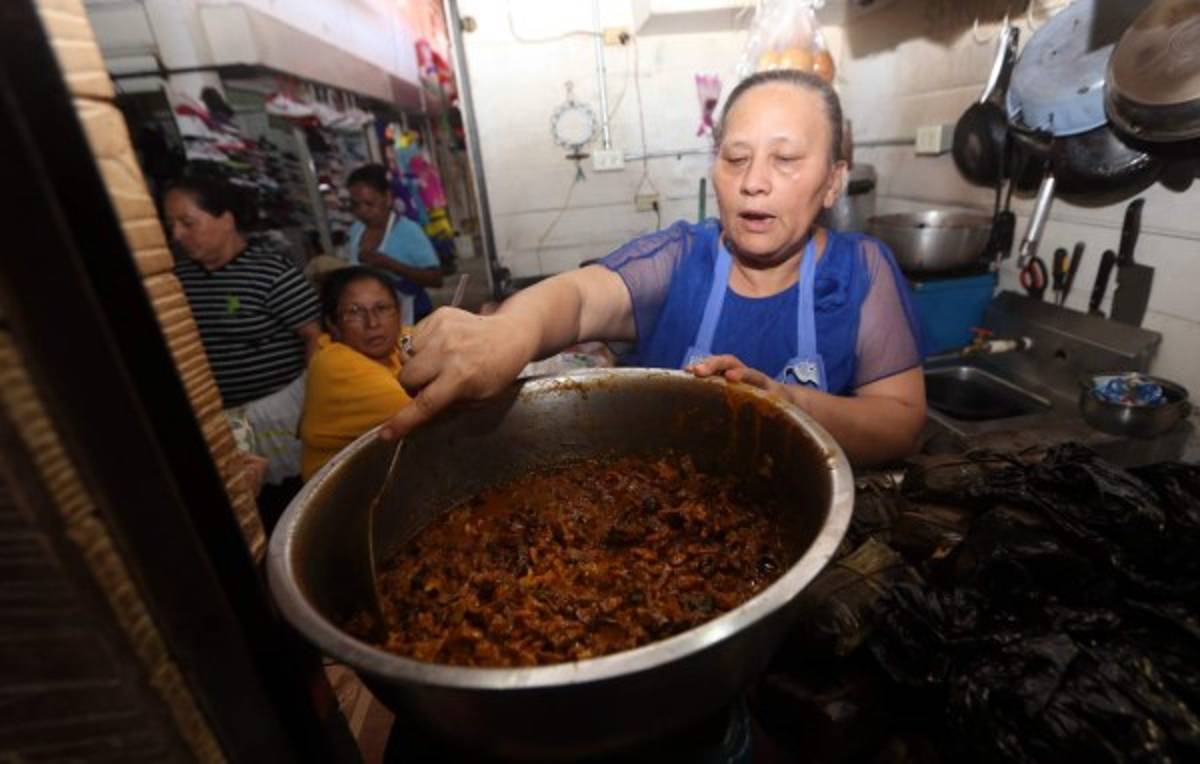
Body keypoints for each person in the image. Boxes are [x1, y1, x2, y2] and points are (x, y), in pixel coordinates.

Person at [382, 70, 926, 466]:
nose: (754, 180)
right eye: (736, 158)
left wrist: (787, 405)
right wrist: (510, 329)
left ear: (833, 180)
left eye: (785, 160)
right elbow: (579, 299)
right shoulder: (680, 259)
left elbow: (898, 424)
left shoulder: (862, 270)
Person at [164, 175, 321, 408]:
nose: (177, 235)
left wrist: (313, 398)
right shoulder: (179, 279)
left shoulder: (273, 274)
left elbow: (315, 338)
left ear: (226, 220)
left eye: (188, 223)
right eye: (171, 226)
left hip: (279, 409)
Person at [300, 266, 413, 480]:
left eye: (382, 308)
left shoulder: (401, 340)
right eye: (354, 312)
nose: (373, 323)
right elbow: (423, 410)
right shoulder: (333, 364)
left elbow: (415, 337)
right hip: (340, 498)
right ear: (333, 325)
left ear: (398, 313)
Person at [346, 164, 443, 323]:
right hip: (373, 321)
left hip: (412, 317)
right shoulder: (356, 230)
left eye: (369, 204)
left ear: (388, 198)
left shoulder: (408, 231)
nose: (362, 211)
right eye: (355, 205)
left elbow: (436, 279)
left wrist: (389, 264)